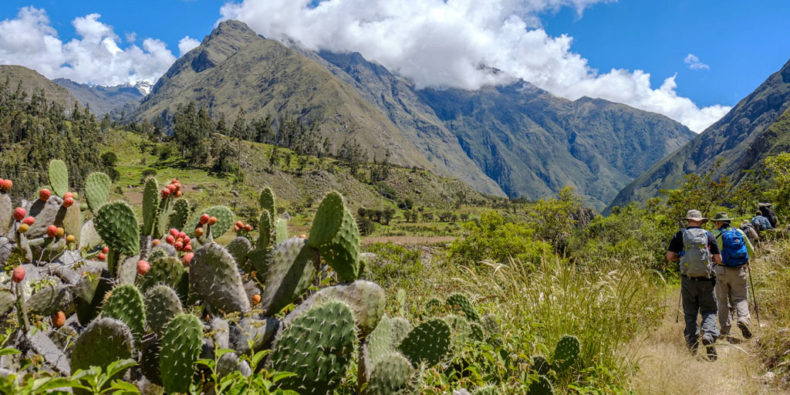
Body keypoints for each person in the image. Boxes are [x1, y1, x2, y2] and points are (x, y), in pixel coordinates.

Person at [667, 209, 721, 360]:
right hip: (706, 280)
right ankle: (709, 335)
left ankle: (692, 344)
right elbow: (719, 259)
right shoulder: (708, 235)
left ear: (688, 220)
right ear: (700, 221)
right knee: (709, 310)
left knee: (690, 313)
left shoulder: (680, 234)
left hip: (688, 279)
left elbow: (670, 256)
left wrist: (681, 256)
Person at [712, 212, 755, 341]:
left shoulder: (715, 234)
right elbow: (751, 250)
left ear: (719, 223)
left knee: (722, 300)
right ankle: (743, 319)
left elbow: (710, 253)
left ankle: (725, 329)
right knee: (741, 297)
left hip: (721, 270)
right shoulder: (739, 233)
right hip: (738, 270)